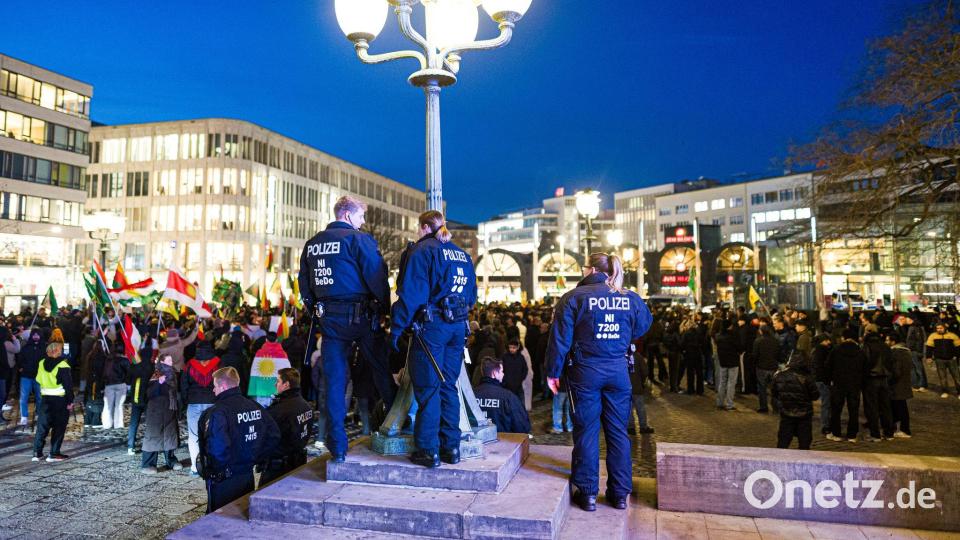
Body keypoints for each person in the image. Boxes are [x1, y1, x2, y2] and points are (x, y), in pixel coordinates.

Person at [545, 252, 652, 512]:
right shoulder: (629, 298)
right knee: (618, 433)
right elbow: (643, 327)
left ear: (591, 269)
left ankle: (588, 492)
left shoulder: (573, 298)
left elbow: (560, 340)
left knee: (587, 430)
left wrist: (553, 372)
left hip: (585, 371)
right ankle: (619, 494)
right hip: (618, 371)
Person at [298, 195, 397, 463]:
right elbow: (376, 277)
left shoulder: (312, 244)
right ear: (349, 215)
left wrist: (317, 311)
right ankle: (399, 423)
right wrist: (385, 310)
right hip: (362, 318)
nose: (363, 221)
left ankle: (338, 446)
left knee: (335, 382)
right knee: (380, 371)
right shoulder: (358, 240)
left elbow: (304, 286)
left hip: (330, 321)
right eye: (361, 216)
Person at [390, 210, 477, 468]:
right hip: (457, 326)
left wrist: (396, 329)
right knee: (449, 385)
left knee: (429, 388)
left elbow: (411, 295)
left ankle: (428, 450)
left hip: (432, 328)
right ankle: (451, 447)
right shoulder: (462, 254)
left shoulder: (422, 250)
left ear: (425, 227)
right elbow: (471, 297)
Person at [197, 367, 279, 514]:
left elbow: (218, 449)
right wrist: (254, 457)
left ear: (222, 386)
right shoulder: (254, 406)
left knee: (221, 520)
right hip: (247, 475)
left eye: (215, 386)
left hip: (226, 480)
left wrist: (218, 470)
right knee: (243, 514)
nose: (213, 391)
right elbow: (273, 435)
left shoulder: (218, 412)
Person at [260, 368, 314, 486]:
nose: (275, 384)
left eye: (278, 381)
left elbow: (266, 438)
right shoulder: (306, 406)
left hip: (278, 468)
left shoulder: (280, 411)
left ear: (286, 385)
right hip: (298, 462)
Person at [180, 340, 221, 476]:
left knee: (194, 435)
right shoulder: (218, 363)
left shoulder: (190, 365)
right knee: (212, 433)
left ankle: (195, 466)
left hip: (194, 402)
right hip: (212, 402)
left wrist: (187, 400)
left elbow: (184, 385)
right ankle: (212, 464)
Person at [141, 354, 182, 473]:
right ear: (162, 361)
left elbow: (175, 392)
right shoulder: (156, 373)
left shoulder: (173, 373)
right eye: (168, 359)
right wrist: (159, 383)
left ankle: (171, 460)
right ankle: (148, 464)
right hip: (156, 410)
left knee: (169, 435)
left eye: (171, 359)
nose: (171, 361)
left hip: (169, 409)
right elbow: (149, 393)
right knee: (153, 435)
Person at [32, 342, 73, 462]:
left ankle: (37, 453)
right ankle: (54, 453)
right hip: (60, 400)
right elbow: (68, 385)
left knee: (42, 427)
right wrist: (70, 401)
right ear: (59, 351)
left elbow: (38, 379)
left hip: (45, 399)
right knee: (59, 427)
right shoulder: (63, 365)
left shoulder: (41, 363)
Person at [826, 328, 867, 443]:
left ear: (844, 337)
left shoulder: (836, 350)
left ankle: (836, 433)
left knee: (836, 409)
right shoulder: (860, 351)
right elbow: (865, 368)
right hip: (854, 384)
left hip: (839, 383)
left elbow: (828, 366)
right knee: (853, 410)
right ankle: (852, 435)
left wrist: (830, 380)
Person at [770, 356, 819, 449]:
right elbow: (815, 396)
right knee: (804, 442)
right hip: (804, 413)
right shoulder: (807, 378)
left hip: (786, 412)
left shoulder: (780, 376)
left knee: (783, 441)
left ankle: (780, 460)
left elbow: (775, 393)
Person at [473, 357, 531, 434]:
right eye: (501, 371)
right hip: (502, 443)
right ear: (494, 373)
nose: (503, 374)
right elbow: (522, 426)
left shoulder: (472, 394)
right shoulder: (508, 397)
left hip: (477, 441)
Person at [861, 329, 894, 442]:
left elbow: (865, 362)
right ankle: (889, 433)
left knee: (872, 407)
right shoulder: (885, 346)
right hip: (884, 378)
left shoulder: (867, 346)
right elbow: (890, 361)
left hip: (871, 378)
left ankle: (875, 434)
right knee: (886, 406)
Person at [886, 332, 913, 438]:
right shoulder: (906, 352)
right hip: (904, 383)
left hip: (897, 385)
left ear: (893, 341)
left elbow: (896, 371)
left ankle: (904, 430)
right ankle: (901, 428)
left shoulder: (896, 353)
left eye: (888, 340)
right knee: (901, 407)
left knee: (899, 408)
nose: (886, 342)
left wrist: (889, 379)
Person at [17, 329, 45, 428]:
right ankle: (24, 416)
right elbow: (19, 359)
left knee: (40, 397)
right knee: (24, 397)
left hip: (39, 377)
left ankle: (39, 414)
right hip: (26, 376)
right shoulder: (25, 348)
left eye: (38, 334)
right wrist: (21, 368)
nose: (36, 336)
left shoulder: (44, 348)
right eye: (34, 335)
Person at [100, 343, 131, 430]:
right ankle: (118, 424)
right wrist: (128, 384)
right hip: (121, 384)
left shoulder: (108, 360)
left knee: (108, 405)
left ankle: (107, 424)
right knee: (119, 405)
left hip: (109, 385)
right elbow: (129, 373)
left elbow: (104, 373)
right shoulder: (125, 360)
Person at [925, 323, 960, 399]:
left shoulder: (952, 335)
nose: (939, 330)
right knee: (942, 377)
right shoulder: (932, 336)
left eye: (941, 328)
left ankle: (959, 392)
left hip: (951, 359)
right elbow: (929, 347)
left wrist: (956, 356)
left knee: (957, 377)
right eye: (937, 328)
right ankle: (945, 391)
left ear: (944, 328)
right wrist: (929, 357)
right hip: (939, 359)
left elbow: (958, 347)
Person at [714, 320, 740, 411]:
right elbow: (739, 347)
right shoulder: (733, 336)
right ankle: (729, 404)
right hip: (733, 361)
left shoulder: (718, 336)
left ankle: (720, 402)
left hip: (723, 361)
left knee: (722, 381)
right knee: (731, 383)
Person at [753, 325, 780, 413]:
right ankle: (776, 408)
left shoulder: (758, 341)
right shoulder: (775, 341)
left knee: (762, 388)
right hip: (773, 367)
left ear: (761, 331)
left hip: (761, 367)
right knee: (774, 388)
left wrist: (755, 364)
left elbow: (755, 355)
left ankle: (764, 407)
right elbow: (778, 354)